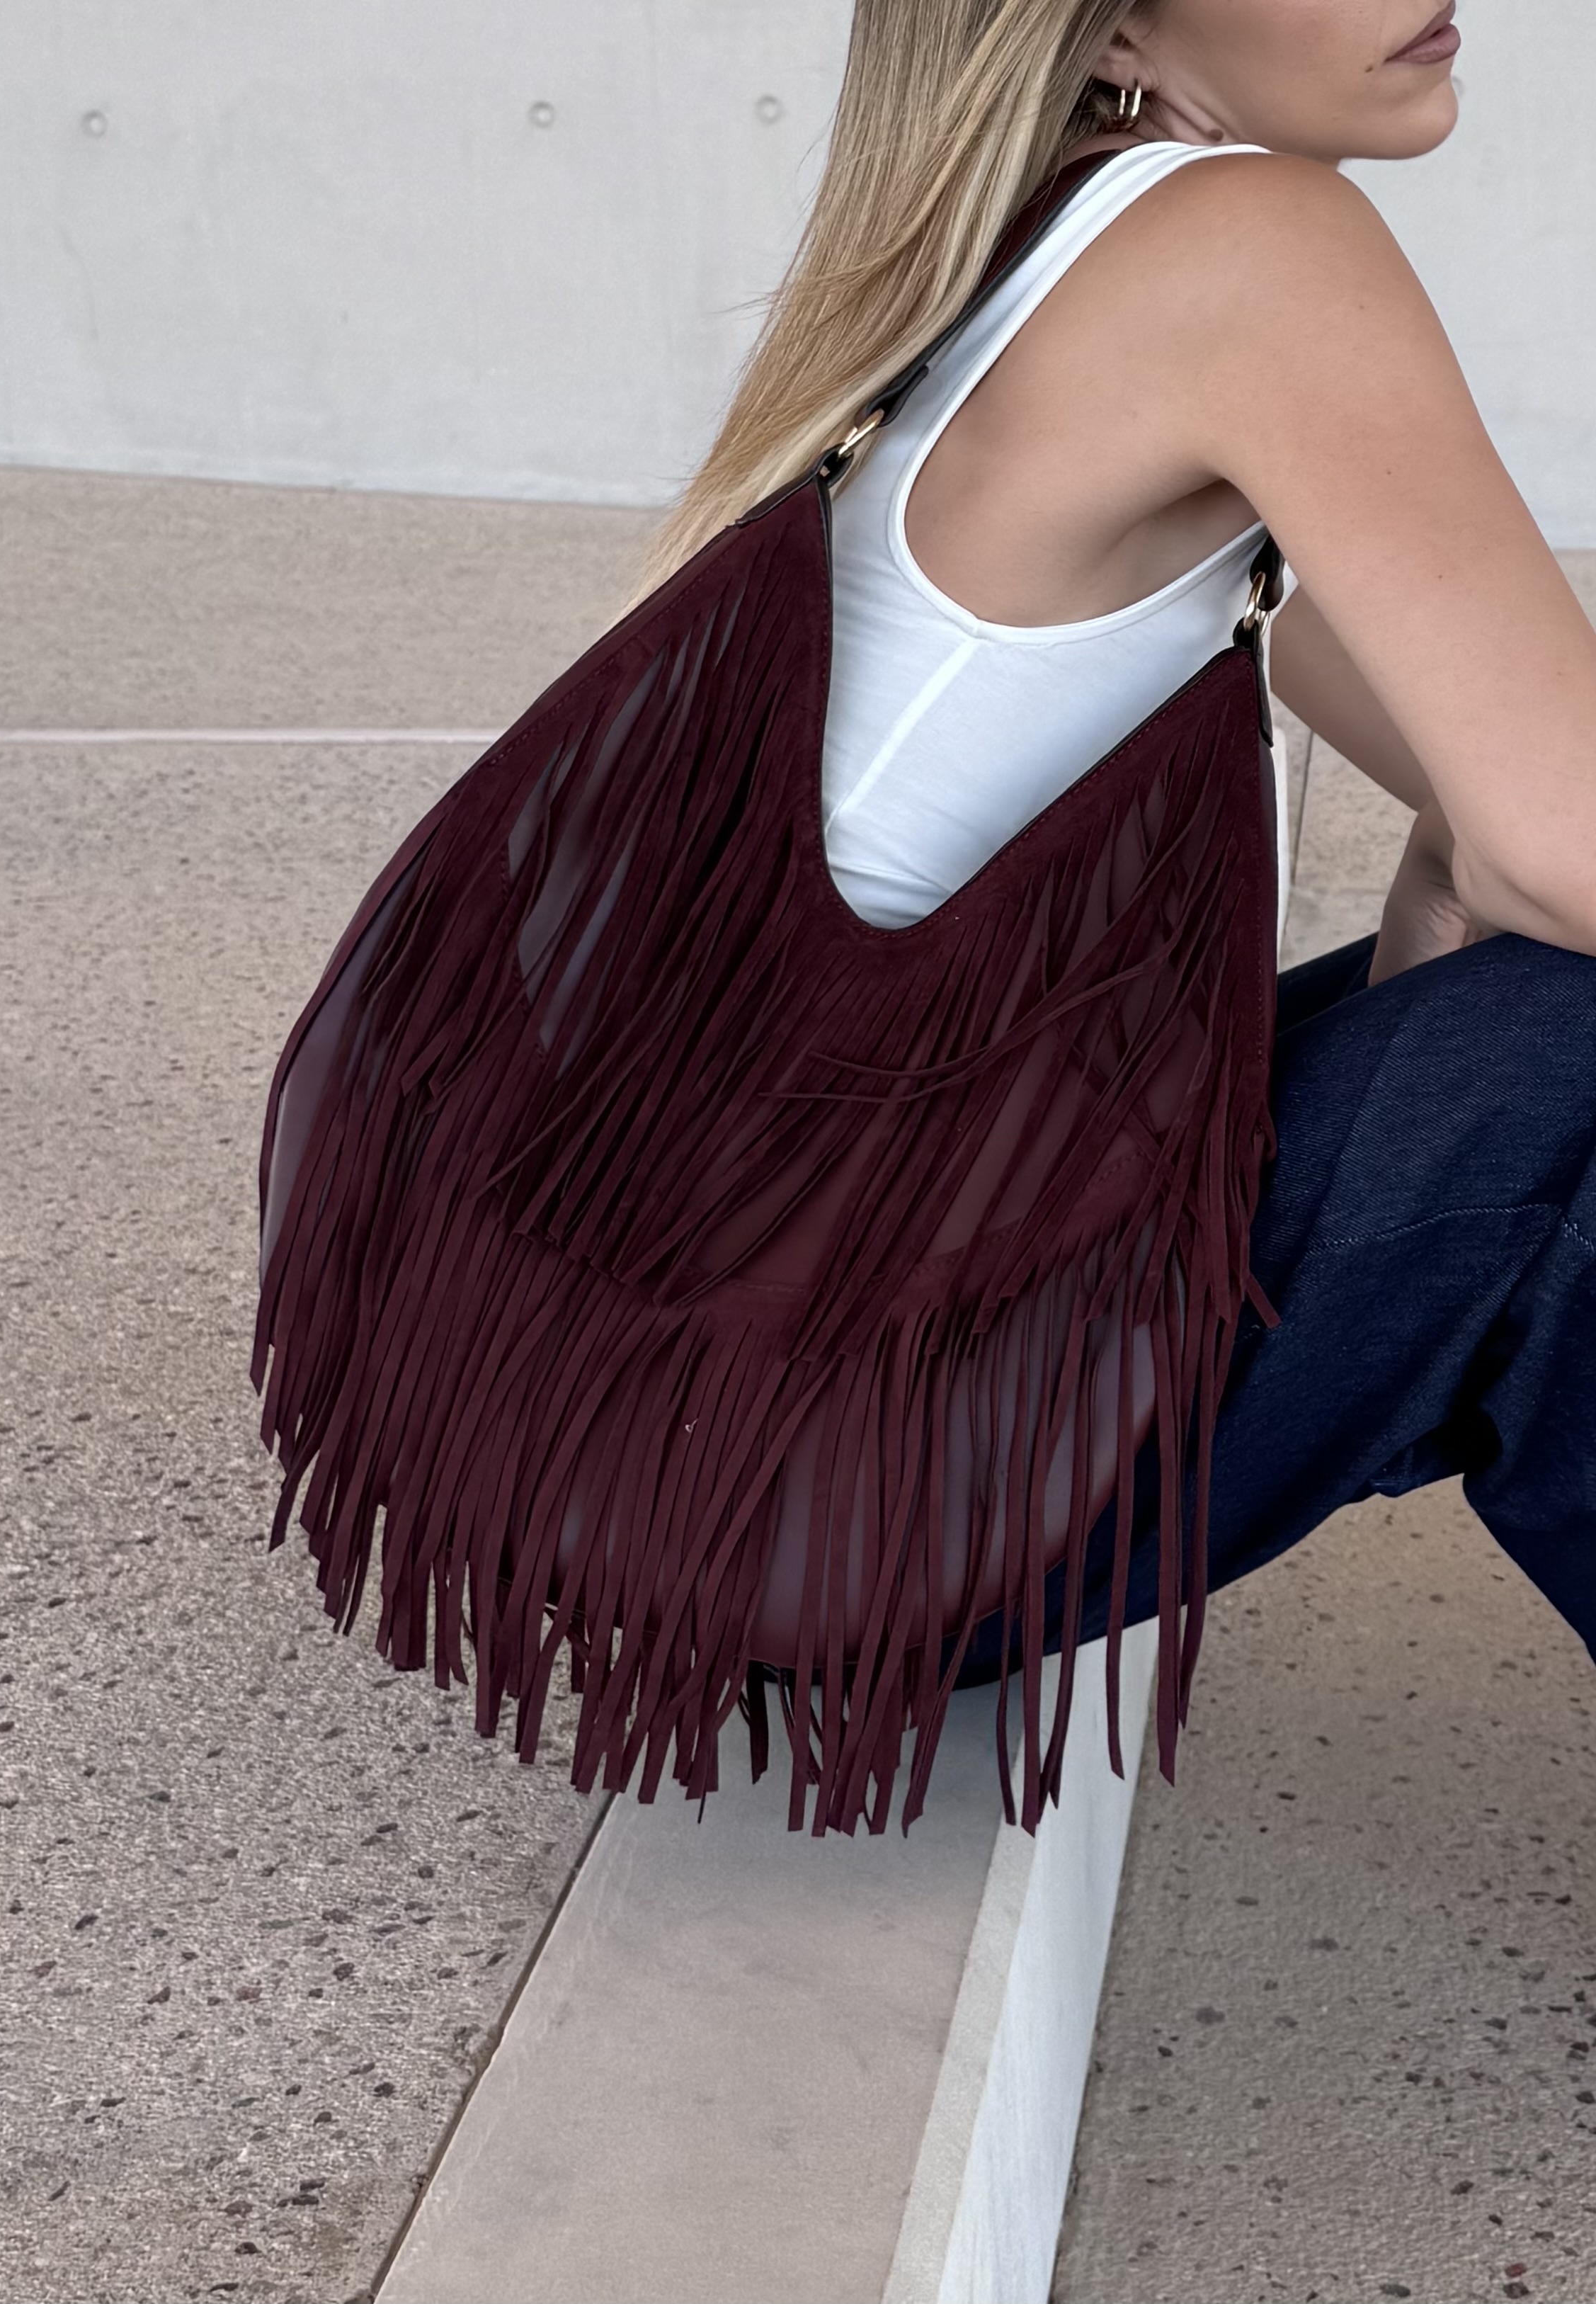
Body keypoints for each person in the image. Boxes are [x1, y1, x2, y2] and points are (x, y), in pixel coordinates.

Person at [637, 0, 1596, 1672]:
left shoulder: (1029, 250)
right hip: (824, 1462)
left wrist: (1460, 964)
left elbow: (1496, 795)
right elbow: (1558, 849)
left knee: (1540, 1052)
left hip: (694, 1420)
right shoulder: (1249, 245)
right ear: (1116, 28)